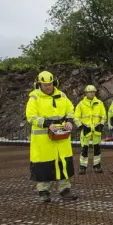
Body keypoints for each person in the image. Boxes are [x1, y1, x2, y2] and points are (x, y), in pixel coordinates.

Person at [25, 71, 78, 203]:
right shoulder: (34, 98)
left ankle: (65, 190)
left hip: (61, 139)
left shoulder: (62, 95)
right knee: (44, 167)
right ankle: (44, 192)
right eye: (45, 85)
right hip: (43, 142)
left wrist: (69, 121)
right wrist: (47, 123)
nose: (48, 87)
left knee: (63, 164)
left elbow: (70, 110)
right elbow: (31, 117)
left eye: (50, 84)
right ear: (39, 85)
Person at [74, 85, 106, 174]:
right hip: (85, 130)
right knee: (84, 149)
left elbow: (103, 116)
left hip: (96, 130)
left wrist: (101, 125)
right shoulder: (81, 104)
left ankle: (97, 166)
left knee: (97, 148)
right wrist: (81, 126)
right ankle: (82, 167)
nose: (92, 93)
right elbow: (76, 117)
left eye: (93, 92)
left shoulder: (99, 103)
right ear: (86, 93)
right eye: (90, 92)